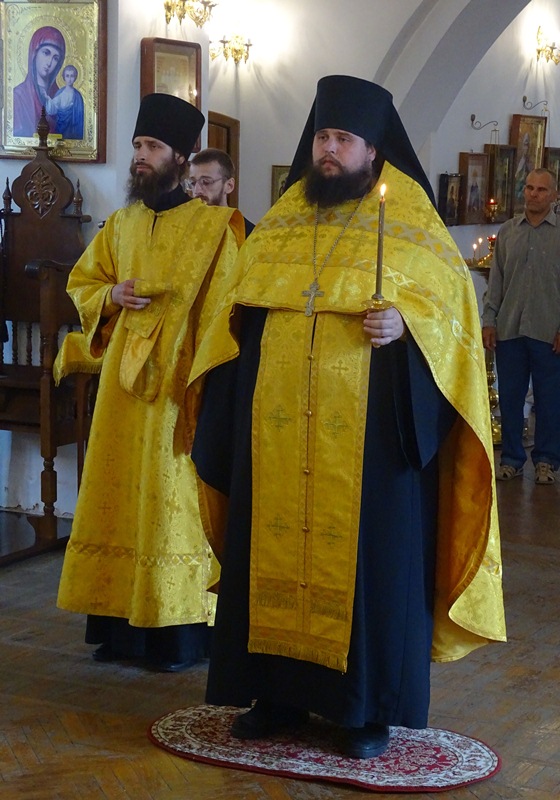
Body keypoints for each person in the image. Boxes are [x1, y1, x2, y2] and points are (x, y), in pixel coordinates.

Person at [188, 75, 506, 759]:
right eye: (322, 137)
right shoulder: (285, 217)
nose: (328, 150)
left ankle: (363, 712)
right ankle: (273, 694)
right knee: (268, 548)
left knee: (372, 570)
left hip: (370, 442)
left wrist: (406, 326)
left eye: (343, 139)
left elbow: (450, 313)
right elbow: (239, 311)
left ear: (372, 149)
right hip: (276, 433)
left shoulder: (411, 218)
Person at [57, 93, 245, 671]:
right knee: (117, 498)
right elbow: (84, 281)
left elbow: (226, 310)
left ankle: (176, 636)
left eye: (153, 146)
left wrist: (204, 383)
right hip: (121, 393)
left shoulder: (216, 228)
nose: (140, 156)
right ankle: (116, 629)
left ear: (182, 156)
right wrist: (111, 295)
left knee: (169, 504)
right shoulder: (122, 224)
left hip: (176, 390)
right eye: (138, 145)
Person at [482, 168, 560, 485]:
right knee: (511, 399)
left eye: (541, 189)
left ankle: (546, 461)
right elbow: (496, 281)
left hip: (547, 331)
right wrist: (489, 320)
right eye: (529, 188)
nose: (533, 194)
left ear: (554, 195)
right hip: (510, 329)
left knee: (549, 400)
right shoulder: (508, 232)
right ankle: (512, 459)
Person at [188, 148, 254, 235]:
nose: (197, 191)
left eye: (206, 182)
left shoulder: (248, 234)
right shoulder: (183, 227)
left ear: (229, 186)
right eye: (193, 183)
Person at [13, 26, 65, 137]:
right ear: (34, 53)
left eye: (55, 58)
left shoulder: (60, 97)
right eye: (46, 53)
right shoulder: (19, 96)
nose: (49, 62)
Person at [45, 64, 85, 140]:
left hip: (73, 128)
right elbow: (53, 108)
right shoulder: (60, 93)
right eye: (67, 76)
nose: (69, 79)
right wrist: (48, 99)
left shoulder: (77, 96)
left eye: (72, 76)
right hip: (60, 127)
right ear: (64, 77)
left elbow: (79, 116)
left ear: (75, 77)